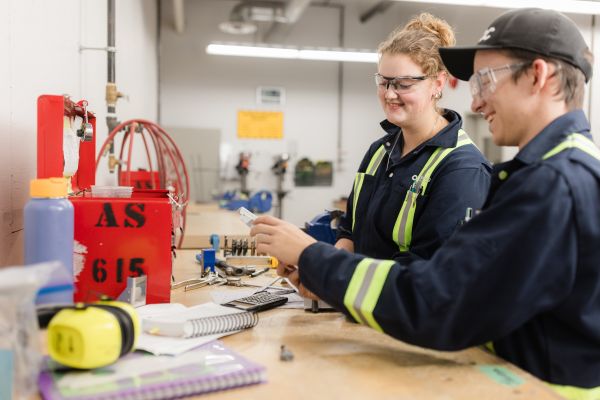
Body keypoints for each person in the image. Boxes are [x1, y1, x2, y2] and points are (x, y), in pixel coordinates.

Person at [251, 8, 600, 398]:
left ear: (538, 75)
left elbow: (438, 301)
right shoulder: (556, 170)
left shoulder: (551, 183)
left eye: (485, 80)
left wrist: (314, 258)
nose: (478, 103)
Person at [335, 13, 490, 265]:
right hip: (356, 300)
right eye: (383, 81)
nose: (389, 94)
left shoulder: (463, 169)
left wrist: (333, 274)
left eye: (404, 84)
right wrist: (327, 264)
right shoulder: (379, 151)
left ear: (437, 83)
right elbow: (350, 231)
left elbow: (427, 272)